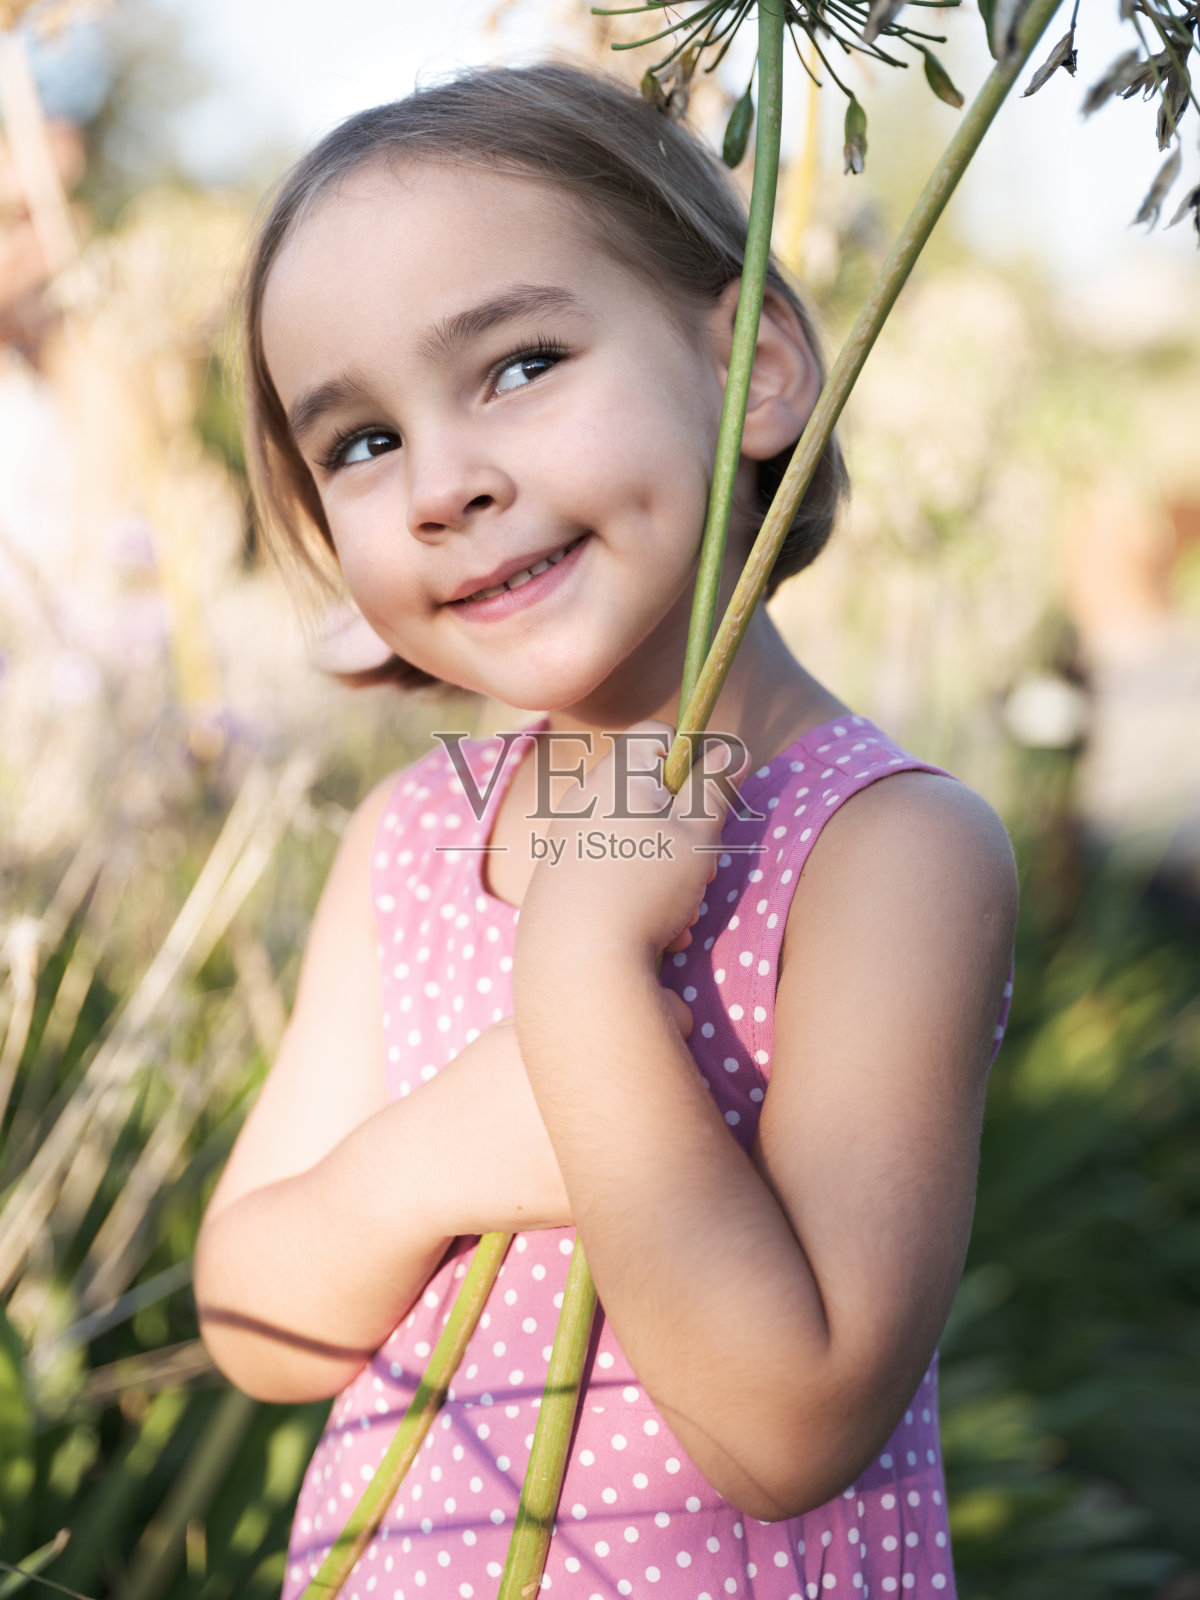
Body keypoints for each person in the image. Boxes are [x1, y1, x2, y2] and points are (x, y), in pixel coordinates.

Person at [193, 63, 1018, 1600]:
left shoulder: (883, 854)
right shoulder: (417, 839)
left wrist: (580, 980)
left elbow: (787, 1427)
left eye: (516, 364)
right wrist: (416, 1172)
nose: (443, 483)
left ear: (754, 368)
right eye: (361, 442)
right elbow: (253, 1328)